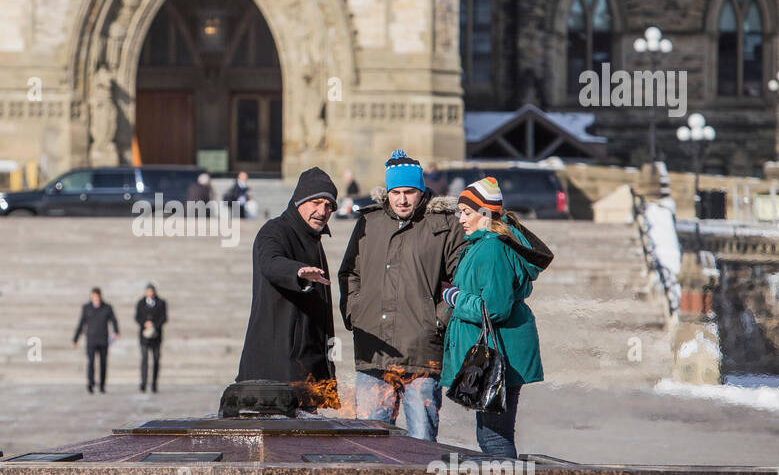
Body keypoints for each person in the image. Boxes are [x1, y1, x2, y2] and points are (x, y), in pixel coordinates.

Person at [338, 149, 466, 441]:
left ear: (422, 191)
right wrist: (354, 312)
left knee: (422, 444)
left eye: (410, 192)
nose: (403, 199)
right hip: (374, 351)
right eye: (396, 192)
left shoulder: (444, 225)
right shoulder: (369, 223)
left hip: (421, 353)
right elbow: (349, 273)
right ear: (388, 192)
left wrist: (438, 320)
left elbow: (461, 279)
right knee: (370, 445)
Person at [440, 176, 553, 458]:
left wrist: (454, 297)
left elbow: (494, 307)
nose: (460, 219)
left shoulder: (492, 249)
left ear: (486, 214)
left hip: (499, 354)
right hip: (501, 352)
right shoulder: (484, 244)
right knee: (490, 435)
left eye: (466, 213)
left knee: (494, 438)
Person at [237, 167, 337, 396]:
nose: (322, 211)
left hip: (307, 368)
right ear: (299, 201)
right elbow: (270, 262)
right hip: (277, 373)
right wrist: (297, 271)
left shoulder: (313, 238)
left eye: (328, 206)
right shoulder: (275, 230)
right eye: (316, 202)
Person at [73, 287, 119, 393]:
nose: (95, 298)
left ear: (100, 296)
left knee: (103, 363)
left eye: (96, 296)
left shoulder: (107, 307)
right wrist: (75, 339)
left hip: (103, 339)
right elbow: (81, 324)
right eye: (93, 296)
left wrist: (116, 332)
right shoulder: (87, 308)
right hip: (91, 340)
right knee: (91, 362)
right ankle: (91, 383)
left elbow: (114, 320)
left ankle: (102, 385)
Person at [135, 284, 168, 392]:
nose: (149, 293)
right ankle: (143, 382)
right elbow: (137, 317)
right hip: (144, 336)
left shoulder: (161, 303)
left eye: (151, 291)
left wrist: (155, 325)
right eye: (148, 291)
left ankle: (154, 383)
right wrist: (145, 323)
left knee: (156, 360)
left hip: (156, 336)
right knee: (144, 359)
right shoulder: (141, 303)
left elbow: (164, 317)